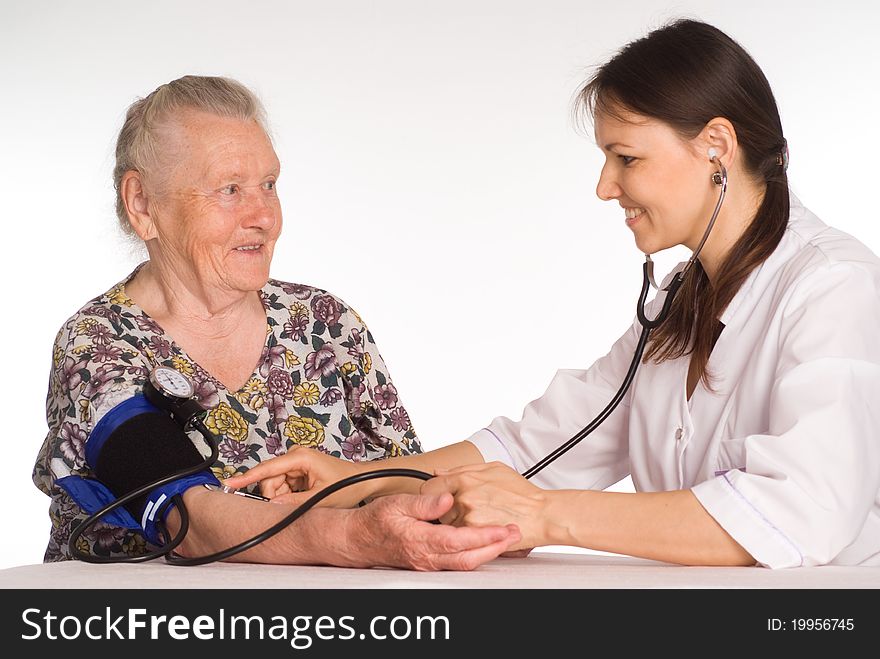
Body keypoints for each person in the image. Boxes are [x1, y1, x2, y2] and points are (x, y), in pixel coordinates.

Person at [226, 19, 880, 569]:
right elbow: (541, 442)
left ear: (716, 146)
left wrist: (543, 515)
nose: (604, 186)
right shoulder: (683, 299)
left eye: (626, 158)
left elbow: (797, 514)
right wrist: (356, 482)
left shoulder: (831, 290)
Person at [32, 75, 521, 569]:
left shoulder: (325, 324)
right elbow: (187, 520)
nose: (264, 216)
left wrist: (466, 516)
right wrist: (356, 536)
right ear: (142, 204)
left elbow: (408, 485)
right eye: (229, 189)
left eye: (269, 184)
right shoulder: (98, 343)